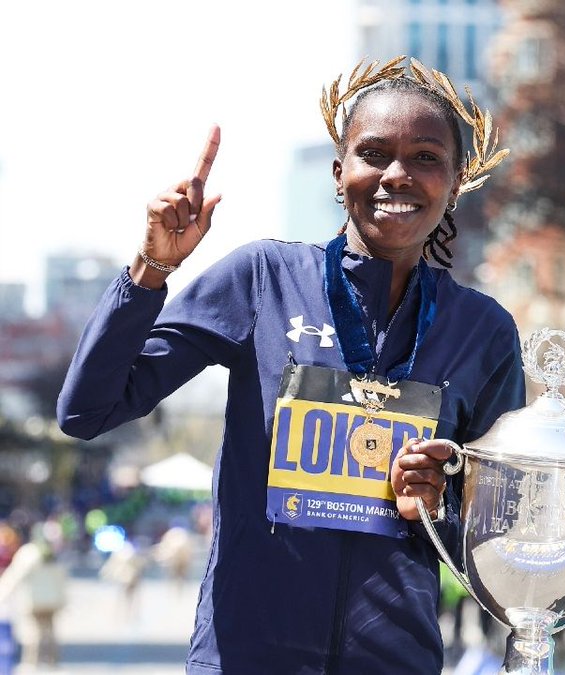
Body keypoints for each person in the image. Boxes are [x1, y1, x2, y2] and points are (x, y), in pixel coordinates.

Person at [57, 56, 525, 674]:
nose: (396, 175)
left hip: (393, 661)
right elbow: (88, 411)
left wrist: (437, 511)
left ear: (457, 180)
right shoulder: (263, 280)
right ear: (339, 173)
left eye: (426, 158)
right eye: (374, 153)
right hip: (246, 655)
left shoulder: (482, 330)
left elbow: (505, 550)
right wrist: (151, 269)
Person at [0, 525, 68, 668]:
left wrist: (3, 593)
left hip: (34, 600)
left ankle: (31, 661)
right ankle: (52, 661)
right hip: (53, 600)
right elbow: (63, 578)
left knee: (32, 632)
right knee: (50, 632)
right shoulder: (54, 554)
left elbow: (14, 576)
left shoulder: (28, 553)